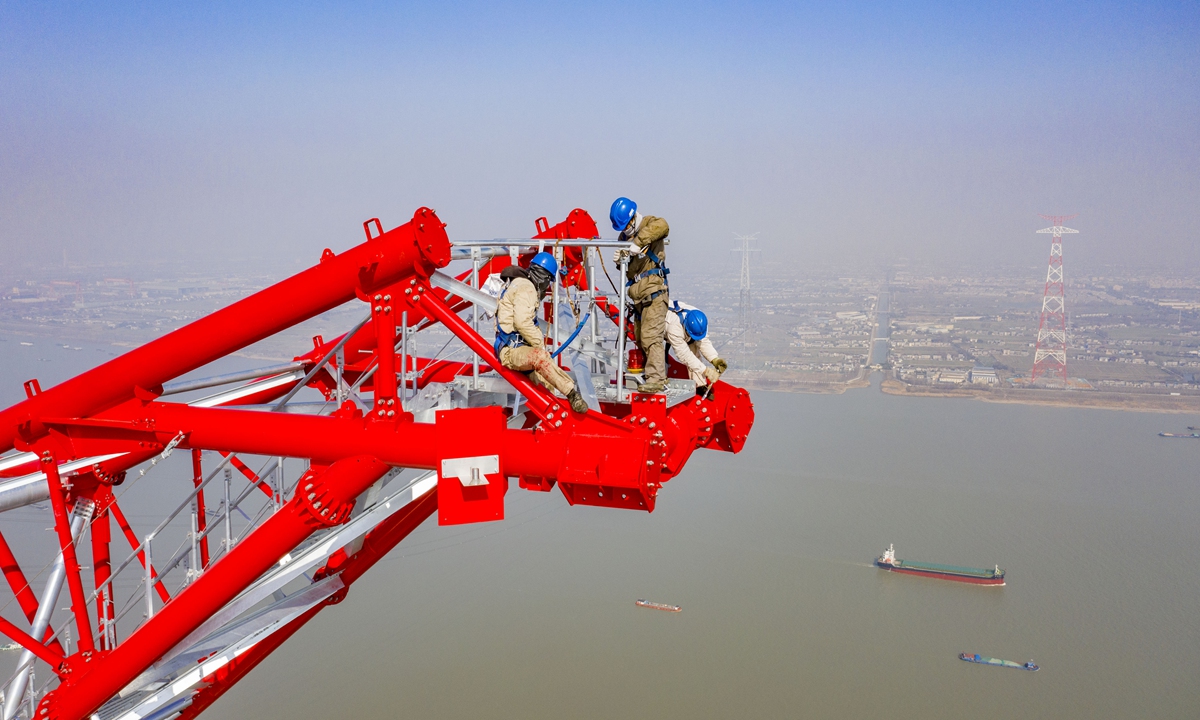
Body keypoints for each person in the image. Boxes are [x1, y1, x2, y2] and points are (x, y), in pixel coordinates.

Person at [494, 252, 589, 414]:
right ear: (543, 277)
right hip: (512, 351)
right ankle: (572, 394)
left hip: (514, 348)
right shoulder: (527, 288)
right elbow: (522, 322)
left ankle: (554, 411)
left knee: (547, 385)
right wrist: (539, 344)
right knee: (541, 358)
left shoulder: (517, 283)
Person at [610, 196, 670, 394]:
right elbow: (628, 271)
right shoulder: (623, 239)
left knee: (651, 336)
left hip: (654, 292)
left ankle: (656, 379)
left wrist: (637, 243)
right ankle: (649, 374)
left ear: (633, 218)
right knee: (639, 337)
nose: (625, 231)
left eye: (627, 227)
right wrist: (621, 261)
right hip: (637, 296)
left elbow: (663, 226)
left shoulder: (650, 224)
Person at [664, 301, 728, 392]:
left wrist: (714, 359)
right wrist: (706, 371)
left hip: (684, 331)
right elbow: (685, 355)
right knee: (659, 358)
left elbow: (703, 341)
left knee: (694, 349)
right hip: (659, 326)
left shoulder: (699, 320)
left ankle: (700, 386)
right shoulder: (674, 328)